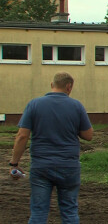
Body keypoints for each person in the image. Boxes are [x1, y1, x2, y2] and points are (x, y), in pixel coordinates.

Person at [9, 72, 93, 224]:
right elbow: (88, 135)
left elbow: (22, 136)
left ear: (52, 85)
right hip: (69, 166)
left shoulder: (34, 104)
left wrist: (14, 163)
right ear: (69, 87)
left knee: (39, 212)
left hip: (41, 167)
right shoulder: (77, 106)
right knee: (69, 211)